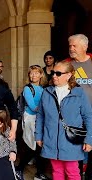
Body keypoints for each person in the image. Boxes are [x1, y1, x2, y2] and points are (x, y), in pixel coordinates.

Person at [35, 61, 92, 180]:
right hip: (51, 139)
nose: (54, 76)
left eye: (58, 73)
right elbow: (40, 115)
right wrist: (38, 136)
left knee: (72, 172)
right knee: (56, 171)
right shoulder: (47, 92)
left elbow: (88, 117)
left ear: (69, 75)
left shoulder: (79, 93)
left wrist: (89, 140)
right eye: (53, 73)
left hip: (71, 140)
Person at [65, 34, 92, 179]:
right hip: (74, 116)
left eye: (74, 45)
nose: (71, 48)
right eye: (70, 46)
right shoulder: (66, 65)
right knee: (77, 149)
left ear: (85, 46)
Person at [15, 65, 49, 180]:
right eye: (31, 73)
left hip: (41, 119)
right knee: (32, 146)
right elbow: (33, 107)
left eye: (36, 73)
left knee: (40, 147)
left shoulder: (43, 88)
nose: (33, 75)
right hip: (31, 118)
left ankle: (39, 173)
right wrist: (48, 109)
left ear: (41, 75)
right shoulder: (28, 88)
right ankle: (19, 169)